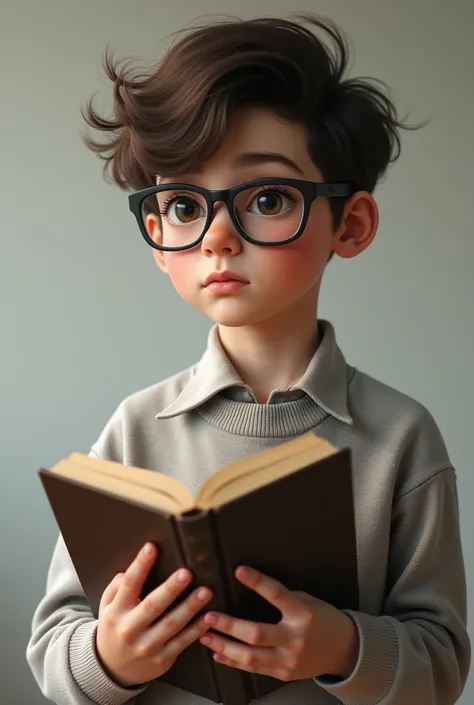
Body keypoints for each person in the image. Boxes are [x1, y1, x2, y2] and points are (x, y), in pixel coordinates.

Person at [26, 13, 470, 705]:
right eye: (182, 204)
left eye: (267, 198)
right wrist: (112, 655)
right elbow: (54, 650)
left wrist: (343, 648)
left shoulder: (402, 435)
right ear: (155, 234)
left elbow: (442, 667)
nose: (218, 237)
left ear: (348, 224)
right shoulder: (136, 427)